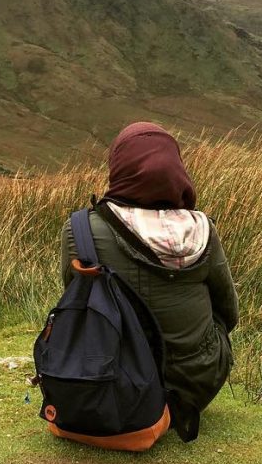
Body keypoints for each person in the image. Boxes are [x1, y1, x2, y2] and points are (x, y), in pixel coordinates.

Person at [60, 121, 237, 437]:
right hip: (197, 385)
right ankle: (176, 403)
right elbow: (229, 313)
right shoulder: (204, 229)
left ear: (119, 167)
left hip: (111, 383)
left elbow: (76, 302)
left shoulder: (80, 230)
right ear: (176, 168)